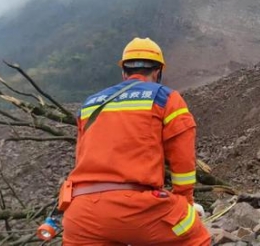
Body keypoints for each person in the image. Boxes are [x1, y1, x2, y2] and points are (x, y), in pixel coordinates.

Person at [60, 37, 211, 245]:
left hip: (79, 214)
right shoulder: (166, 98)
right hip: (136, 208)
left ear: (124, 72)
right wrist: (185, 204)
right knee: (196, 237)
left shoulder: (89, 105)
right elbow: (183, 163)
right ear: (158, 72)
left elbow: (81, 157)